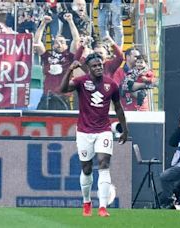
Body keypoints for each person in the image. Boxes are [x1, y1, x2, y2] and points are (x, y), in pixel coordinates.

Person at [59, 53, 129, 217]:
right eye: (95, 66)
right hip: (84, 132)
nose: (98, 68)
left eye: (100, 65)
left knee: (104, 164)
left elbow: (118, 108)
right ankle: (86, 201)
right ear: (88, 68)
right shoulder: (81, 82)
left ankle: (103, 207)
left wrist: (125, 129)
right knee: (87, 168)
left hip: (103, 130)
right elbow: (62, 90)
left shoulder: (111, 85)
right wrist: (70, 70)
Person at [33, 13, 80, 110]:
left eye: (62, 42)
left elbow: (76, 40)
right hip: (47, 95)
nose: (58, 44)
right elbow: (37, 42)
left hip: (64, 96)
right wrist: (43, 24)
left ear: (66, 46)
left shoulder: (69, 56)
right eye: (56, 42)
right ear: (53, 45)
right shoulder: (47, 56)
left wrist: (70, 21)